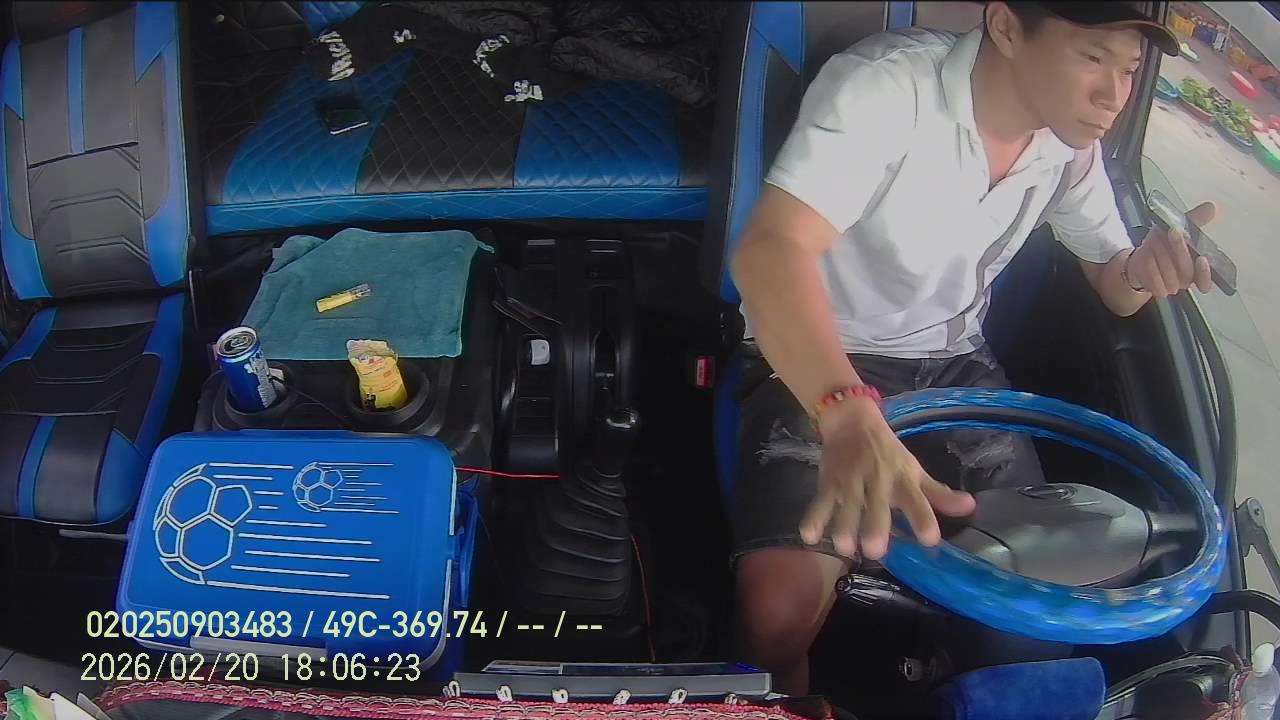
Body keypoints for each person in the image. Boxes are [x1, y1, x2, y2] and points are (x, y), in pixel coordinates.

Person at [728, 1, 1221, 695]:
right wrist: (846, 411)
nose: (1113, 95)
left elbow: (1116, 284)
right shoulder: (885, 88)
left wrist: (1148, 269)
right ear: (1007, 27)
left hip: (955, 362)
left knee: (1038, 599)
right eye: (1092, 58)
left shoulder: (1067, 145)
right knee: (776, 617)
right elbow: (771, 250)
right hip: (820, 355)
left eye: (1130, 69)